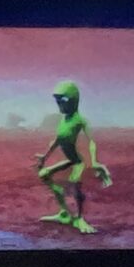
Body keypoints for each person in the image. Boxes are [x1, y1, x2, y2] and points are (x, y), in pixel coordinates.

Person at [34, 79, 113, 233]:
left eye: (62, 100)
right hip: (70, 160)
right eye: (57, 101)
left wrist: (94, 161)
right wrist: (45, 156)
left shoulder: (79, 121)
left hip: (77, 161)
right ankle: (64, 213)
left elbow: (91, 142)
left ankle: (80, 219)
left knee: (74, 183)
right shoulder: (64, 120)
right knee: (44, 175)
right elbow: (58, 140)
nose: (59, 104)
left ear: (72, 101)